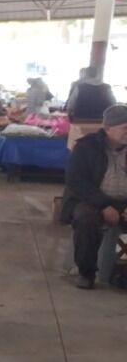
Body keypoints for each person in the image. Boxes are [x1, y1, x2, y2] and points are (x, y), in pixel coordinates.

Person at [63, 105, 127, 289]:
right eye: (125, 128)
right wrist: (104, 205)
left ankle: (121, 272)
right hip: (93, 200)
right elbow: (76, 181)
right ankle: (86, 272)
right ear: (108, 128)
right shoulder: (86, 146)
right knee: (86, 220)